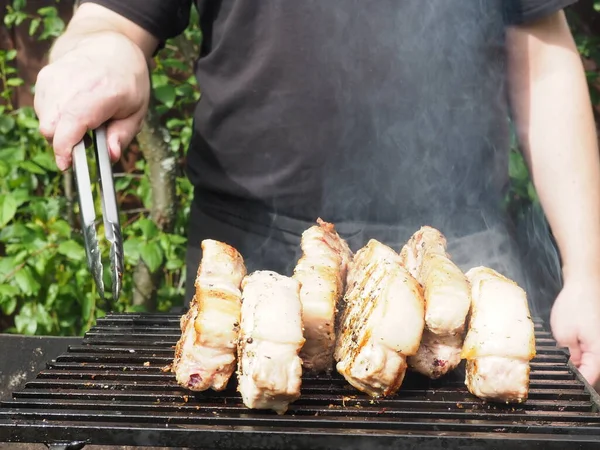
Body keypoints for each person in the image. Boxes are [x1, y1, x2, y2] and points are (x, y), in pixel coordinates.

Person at [34, 0, 600, 389]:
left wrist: (590, 273)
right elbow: (114, 19)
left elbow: (543, 54)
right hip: (254, 255)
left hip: (455, 257)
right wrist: (101, 53)